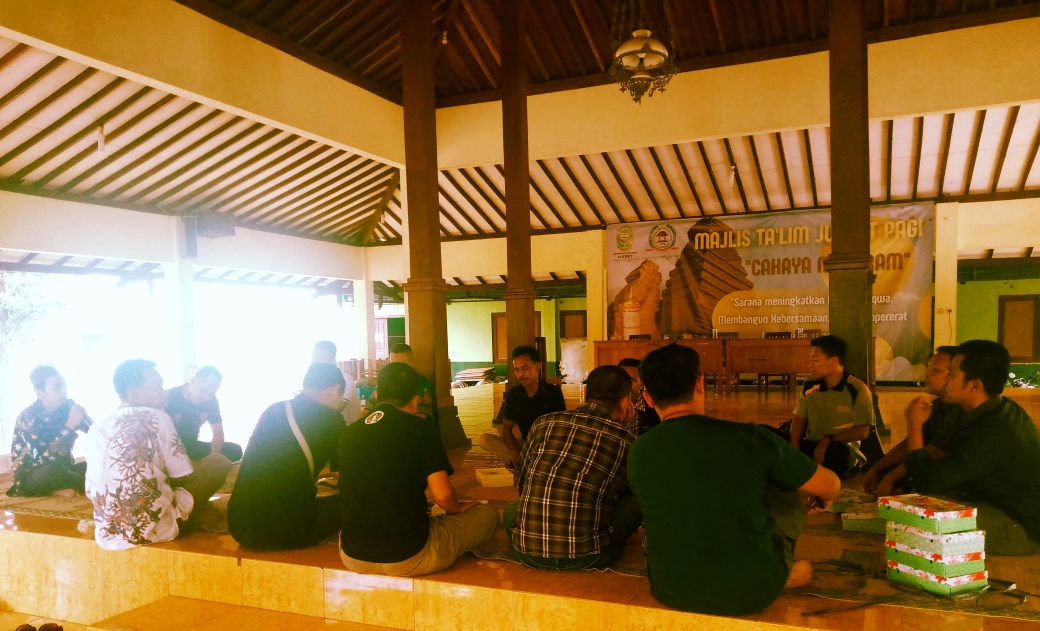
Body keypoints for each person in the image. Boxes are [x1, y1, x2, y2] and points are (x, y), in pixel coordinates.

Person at [628, 344, 840, 616]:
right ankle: (781, 573)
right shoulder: (749, 438)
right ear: (700, 384)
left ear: (647, 397)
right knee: (783, 487)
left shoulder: (639, 449)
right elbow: (830, 485)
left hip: (669, 588)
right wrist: (824, 498)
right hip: (751, 592)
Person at [338, 362, 498, 576]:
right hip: (410, 555)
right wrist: (457, 508)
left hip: (353, 555)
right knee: (488, 515)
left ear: (376, 393)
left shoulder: (349, 433)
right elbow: (443, 495)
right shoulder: (421, 429)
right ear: (415, 399)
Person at [905, 340, 1040, 555]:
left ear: (974, 386)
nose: (945, 381)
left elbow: (925, 483)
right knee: (912, 499)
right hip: (996, 506)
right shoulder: (996, 409)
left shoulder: (994, 429)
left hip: (1019, 527)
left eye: (951, 374)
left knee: (917, 510)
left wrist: (914, 425)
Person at [504, 365, 642, 570]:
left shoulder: (543, 424)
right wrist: (623, 429)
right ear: (625, 402)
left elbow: (523, 485)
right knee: (640, 497)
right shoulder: (626, 441)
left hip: (526, 550)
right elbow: (622, 493)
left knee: (511, 510)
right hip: (589, 556)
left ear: (585, 393)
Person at [85, 359, 232, 550]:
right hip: (157, 529)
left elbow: (90, 490)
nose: (165, 393)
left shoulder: (97, 427)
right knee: (218, 462)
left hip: (108, 533)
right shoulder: (159, 418)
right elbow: (182, 478)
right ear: (134, 395)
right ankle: (194, 515)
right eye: (158, 387)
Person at [228, 363, 348, 550]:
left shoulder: (274, 410)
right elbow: (348, 471)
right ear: (334, 390)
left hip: (239, 525)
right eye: (341, 397)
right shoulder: (332, 419)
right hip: (286, 530)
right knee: (349, 502)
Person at [862, 347, 959, 496]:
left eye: (936, 370)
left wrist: (891, 478)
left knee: (897, 480)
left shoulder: (962, 409)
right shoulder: (939, 405)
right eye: (928, 368)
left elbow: (935, 451)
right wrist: (876, 468)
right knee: (885, 470)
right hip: (930, 471)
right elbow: (908, 444)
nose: (928, 373)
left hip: (952, 482)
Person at [788, 335, 874, 477]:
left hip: (841, 446)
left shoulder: (857, 389)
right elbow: (799, 419)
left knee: (839, 455)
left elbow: (862, 431)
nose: (810, 365)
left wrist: (828, 440)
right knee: (768, 437)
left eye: (815, 360)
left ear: (833, 361)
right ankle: (806, 466)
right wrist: (793, 447)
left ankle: (810, 469)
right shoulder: (809, 385)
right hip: (812, 444)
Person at [8, 365, 92, 497]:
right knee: (51, 471)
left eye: (64, 385)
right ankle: (66, 487)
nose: (63, 390)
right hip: (34, 473)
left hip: (65, 468)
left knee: (99, 465)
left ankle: (64, 486)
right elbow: (43, 459)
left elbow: (97, 433)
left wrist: (85, 419)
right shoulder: (28, 418)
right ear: (39, 393)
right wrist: (69, 426)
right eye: (57, 387)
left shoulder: (68, 407)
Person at [477, 346, 566, 466]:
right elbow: (506, 429)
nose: (520, 374)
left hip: (548, 447)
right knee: (484, 440)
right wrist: (515, 451)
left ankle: (528, 462)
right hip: (526, 445)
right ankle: (527, 461)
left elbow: (562, 429)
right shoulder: (515, 394)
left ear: (537, 367)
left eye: (524, 368)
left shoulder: (553, 393)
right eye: (517, 370)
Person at [165, 366, 243, 463]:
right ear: (194, 380)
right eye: (203, 391)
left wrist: (213, 456)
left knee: (235, 450)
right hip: (169, 446)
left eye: (211, 394)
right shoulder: (169, 397)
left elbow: (218, 433)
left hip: (191, 446)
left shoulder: (211, 400)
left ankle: (193, 462)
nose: (206, 397)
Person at [311, 340, 361, 424]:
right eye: (313, 356)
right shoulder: (315, 382)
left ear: (333, 360)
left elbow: (336, 410)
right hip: (328, 426)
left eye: (320, 356)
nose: (315, 361)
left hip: (348, 426)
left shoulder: (345, 380)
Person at [618, 357, 659, 436]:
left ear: (642, 383)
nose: (625, 384)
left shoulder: (653, 407)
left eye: (632, 380)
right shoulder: (610, 404)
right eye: (621, 379)